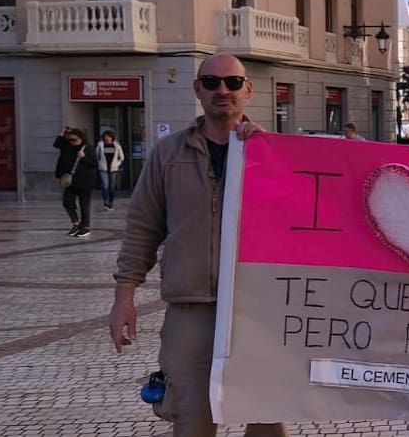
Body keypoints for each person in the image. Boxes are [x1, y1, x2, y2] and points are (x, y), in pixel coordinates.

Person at [108, 53, 288, 437]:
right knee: (191, 417)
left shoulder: (272, 154)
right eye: (212, 82)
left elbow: (304, 226)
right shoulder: (168, 154)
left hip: (258, 307)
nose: (222, 90)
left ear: (248, 91)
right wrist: (124, 297)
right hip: (191, 308)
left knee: (267, 417)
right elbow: (142, 227)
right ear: (198, 90)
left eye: (233, 83)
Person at [53, 127, 97, 237]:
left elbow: (94, 163)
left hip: (84, 181)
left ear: (81, 138)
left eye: (74, 140)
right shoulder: (66, 146)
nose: (72, 142)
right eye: (70, 139)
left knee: (84, 205)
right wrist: (61, 133)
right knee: (67, 202)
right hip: (70, 181)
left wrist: (84, 158)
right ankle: (76, 223)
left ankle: (85, 227)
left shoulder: (87, 148)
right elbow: (56, 144)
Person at [96, 129, 125, 211]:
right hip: (103, 168)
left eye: (108, 137)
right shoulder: (100, 146)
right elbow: (96, 156)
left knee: (112, 187)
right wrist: (100, 164)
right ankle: (105, 202)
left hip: (113, 168)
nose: (107, 138)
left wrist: (117, 164)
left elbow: (121, 157)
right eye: (105, 137)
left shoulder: (117, 146)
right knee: (105, 186)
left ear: (112, 137)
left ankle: (111, 202)